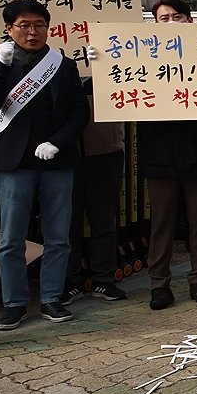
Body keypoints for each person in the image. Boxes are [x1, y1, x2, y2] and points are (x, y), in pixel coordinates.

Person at [0, 0, 89, 329]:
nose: (32, 32)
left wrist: (58, 142)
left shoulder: (62, 65)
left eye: (38, 25)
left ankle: (52, 298)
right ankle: (15, 302)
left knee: (58, 235)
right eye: (23, 26)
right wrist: (2, 68)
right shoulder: (0, 63)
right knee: (11, 238)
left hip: (57, 161)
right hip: (12, 164)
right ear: (9, 29)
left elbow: (80, 111)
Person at [136, 0, 197, 310]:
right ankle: (159, 285)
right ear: (155, 24)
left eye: (177, 16)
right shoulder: (140, 57)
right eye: (164, 18)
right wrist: (99, 63)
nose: (171, 23)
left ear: (189, 20)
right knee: (161, 223)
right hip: (159, 153)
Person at [61, 76, 127, 306]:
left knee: (104, 218)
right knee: (67, 221)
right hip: (62, 152)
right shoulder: (53, 62)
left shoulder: (106, 56)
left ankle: (104, 277)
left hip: (104, 147)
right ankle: (69, 280)